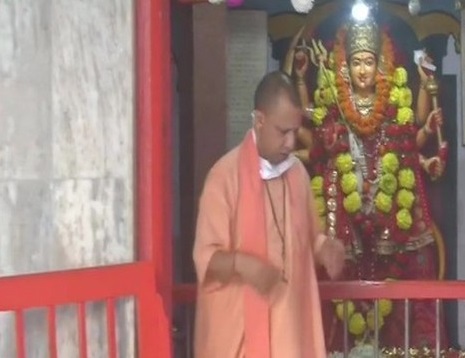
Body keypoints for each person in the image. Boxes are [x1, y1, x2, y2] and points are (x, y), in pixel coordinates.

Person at [285, 15, 448, 351]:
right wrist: (302, 78)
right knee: (340, 273)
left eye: (369, 62)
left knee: (408, 265)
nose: (362, 70)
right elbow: (310, 123)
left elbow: (409, 139)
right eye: (356, 62)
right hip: (347, 209)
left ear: (380, 66)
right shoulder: (335, 108)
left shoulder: (392, 106)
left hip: (389, 210)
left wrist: (429, 127)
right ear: (346, 65)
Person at [193, 70, 346, 358]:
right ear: (259, 120)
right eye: (282, 132)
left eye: (295, 131)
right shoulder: (224, 177)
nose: (290, 143)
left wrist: (326, 249)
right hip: (240, 338)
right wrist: (243, 264)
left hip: (291, 334)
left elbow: (310, 239)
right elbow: (206, 257)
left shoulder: (297, 174)